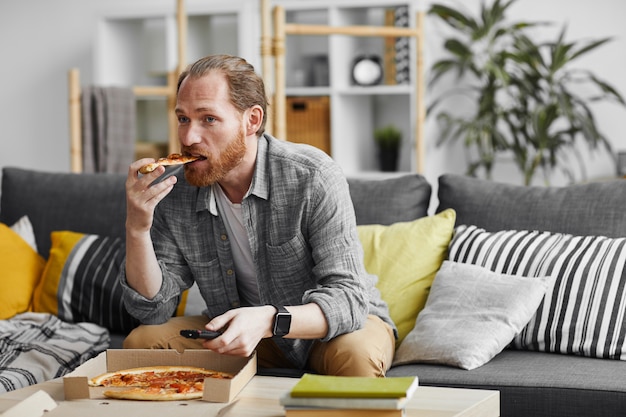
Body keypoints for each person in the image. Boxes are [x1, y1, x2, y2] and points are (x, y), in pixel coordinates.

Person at [120, 54, 396, 377]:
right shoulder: (175, 191)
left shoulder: (313, 177)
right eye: (183, 119)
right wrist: (137, 229)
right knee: (141, 344)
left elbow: (348, 299)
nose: (189, 137)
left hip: (329, 332)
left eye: (208, 119)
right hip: (245, 336)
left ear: (251, 120)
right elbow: (152, 309)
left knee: (357, 358)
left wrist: (268, 319)